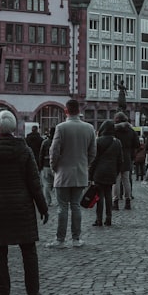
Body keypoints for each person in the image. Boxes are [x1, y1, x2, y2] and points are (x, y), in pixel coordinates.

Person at [0, 110, 48, 295]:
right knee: (29, 252)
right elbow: (34, 183)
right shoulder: (24, 151)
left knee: (0, 254)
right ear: (13, 128)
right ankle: (33, 293)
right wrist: (43, 207)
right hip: (22, 207)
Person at [47, 99, 96, 248]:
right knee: (76, 206)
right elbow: (93, 152)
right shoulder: (89, 128)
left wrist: (54, 167)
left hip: (63, 173)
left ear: (66, 111)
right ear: (79, 110)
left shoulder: (61, 128)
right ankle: (76, 238)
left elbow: (54, 151)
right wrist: (85, 165)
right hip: (80, 173)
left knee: (62, 207)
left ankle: (60, 240)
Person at [90, 120, 123, 227]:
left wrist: (90, 174)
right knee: (108, 195)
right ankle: (109, 218)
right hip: (111, 172)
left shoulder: (98, 141)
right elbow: (120, 160)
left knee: (99, 196)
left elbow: (94, 159)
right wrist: (116, 172)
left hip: (99, 172)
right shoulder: (117, 142)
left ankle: (98, 219)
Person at [111, 111, 138, 210]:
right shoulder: (131, 131)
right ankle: (128, 201)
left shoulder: (114, 130)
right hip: (127, 157)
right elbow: (137, 144)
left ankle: (115, 202)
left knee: (116, 181)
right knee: (126, 180)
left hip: (116, 157)